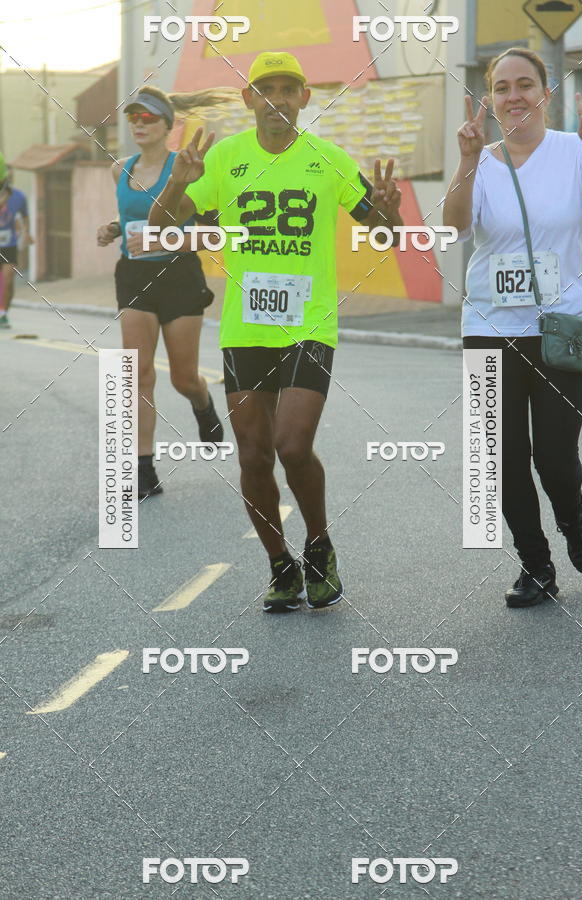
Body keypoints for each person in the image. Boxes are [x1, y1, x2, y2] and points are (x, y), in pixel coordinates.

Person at [149, 51, 403, 612]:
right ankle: (280, 566)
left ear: (305, 98)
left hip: (310, 325)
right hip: (246, 328)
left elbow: (386, 237)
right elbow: (160, 226)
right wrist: (177, 183)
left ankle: (318, 545)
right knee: (254, 457)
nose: (277, 99)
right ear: (249, 100)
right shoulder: (225, 158)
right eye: (266, 89)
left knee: (293, 445)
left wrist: (390, 212)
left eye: (289, 89)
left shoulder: (329, 159)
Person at [444, 47, 582, 607]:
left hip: (567, 323)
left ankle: (575, 524)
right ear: (490, 98)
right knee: (500, 458)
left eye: (525, 85)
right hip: (490, 325)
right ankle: (536, 565)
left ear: (545, 93)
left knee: (554, 455)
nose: (514, 97)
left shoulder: (576, 153)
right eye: (503, 87)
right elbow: (456, 229)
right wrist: (465, 162)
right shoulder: (478, 159)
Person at [97, 85, 236, 499]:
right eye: (133, 117)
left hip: (179, 277)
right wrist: (114, 228)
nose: (139, 124)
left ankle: (202, 403)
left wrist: (168, 241)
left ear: (167, 125)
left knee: (182, 377)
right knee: (137, 373)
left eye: (148, 117)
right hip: (134, 278)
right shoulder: (119, 169)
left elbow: (214, 235)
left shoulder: (190, 166)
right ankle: (143, 468)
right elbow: (133, 218)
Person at [0, 161, 33, 328]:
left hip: (9, 245)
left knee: (8, 279)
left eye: (10, 175)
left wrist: (26, 233)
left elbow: (25, 217)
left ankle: (3, 313)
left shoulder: (19, 196)